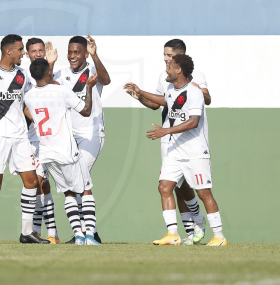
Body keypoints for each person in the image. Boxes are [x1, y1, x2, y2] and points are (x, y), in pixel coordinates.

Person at [124, 54, 227, 246]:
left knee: (204, 193)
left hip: (195, 152)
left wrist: (166, 131)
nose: (166, 68)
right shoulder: (171, 90)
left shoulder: (195, 92)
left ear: (179, 70)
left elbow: (193, 122)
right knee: (164, 187)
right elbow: (164, 101)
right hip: (175, 152)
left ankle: (219, 236)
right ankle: (172, 234)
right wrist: (140, 92)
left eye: (169, 66)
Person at [0, 34, 49, 244]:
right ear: (8, 51)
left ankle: (26, 233)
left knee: (31, 181)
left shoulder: (23, 75)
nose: (23, 53)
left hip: (20, 136)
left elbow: (25, 105)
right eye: (20, 49)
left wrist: (41, 125)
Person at [24, 58, 100, 245]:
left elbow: (28, 110)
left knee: (68, 193)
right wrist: (89, 87)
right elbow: (86, 111)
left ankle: (79, 236)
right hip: (67, 151)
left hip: (47, 154)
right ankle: (89, 235)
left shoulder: (29, 96)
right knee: (85, 191)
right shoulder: (62, 91)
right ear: (49, 72)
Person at [54, 35, 110, 243]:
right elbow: (49, 86)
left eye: (77, 52)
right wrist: (50, 63)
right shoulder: (62, 73)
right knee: (73, 183)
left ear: (85, 54)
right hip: (70, 136)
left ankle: (88, 234)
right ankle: (85, 233)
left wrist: (96, 56)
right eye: (70, 52)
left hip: (91, 134)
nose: (72, 56)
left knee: (79, 180)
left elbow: (106, 80)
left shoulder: (94, 71)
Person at [24, 37, 60, 243]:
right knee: (37, 185)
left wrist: (52, 65)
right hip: (27, 138)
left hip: (44, 138)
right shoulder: (23, 77)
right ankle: (42, 231)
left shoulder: (50, 74)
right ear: (27, 54)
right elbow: (24, 105)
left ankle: (50, 232)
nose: (38, 53)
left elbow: (51, 92)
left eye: (40, 50)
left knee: (40, 182)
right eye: (33, 51)